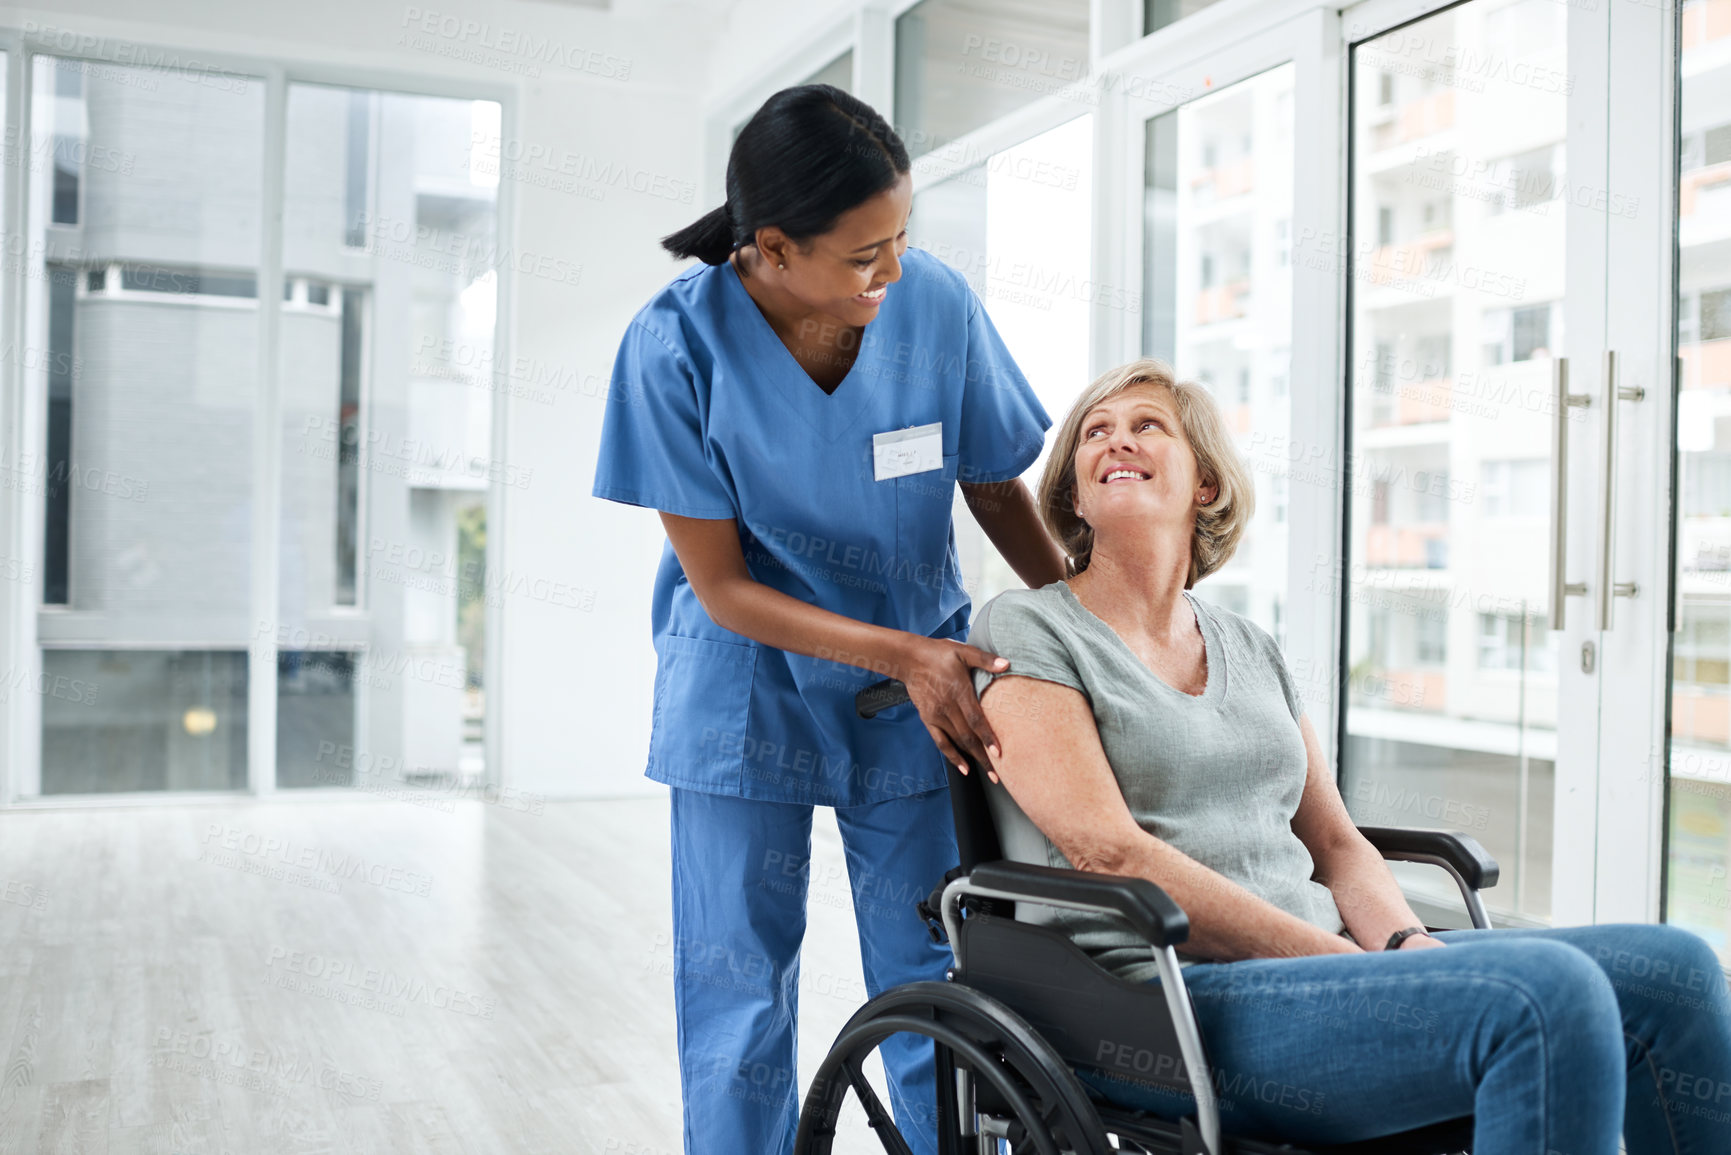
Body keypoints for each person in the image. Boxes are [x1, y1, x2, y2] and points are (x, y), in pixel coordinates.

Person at [964, 357, 1731, 1154]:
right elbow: (1102, 848)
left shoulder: (1249, 646)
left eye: (1146, 424)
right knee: (1547, 997)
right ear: (1075, 493)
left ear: (1205, 486)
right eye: (1095, 432)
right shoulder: (1030, 627)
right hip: (1162, 996)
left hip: (1323, 970)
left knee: (1672, 970)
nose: (1115, 440)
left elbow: (1333, 843)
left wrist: (1404, 947)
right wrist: (1338, 959)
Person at [590, 84, 1068, 1155]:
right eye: (863, 256)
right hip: (744, 687)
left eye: (901, 239)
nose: (891, 272)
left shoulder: (933, 305)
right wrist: (909, 654)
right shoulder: (675, 347)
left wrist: (1085, 622)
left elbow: (994, 484)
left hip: (913, 702)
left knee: (932, 971)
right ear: (771, 248)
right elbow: (720, 587)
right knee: (737, 993)